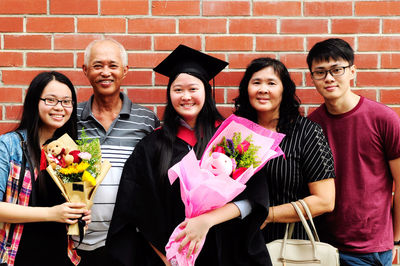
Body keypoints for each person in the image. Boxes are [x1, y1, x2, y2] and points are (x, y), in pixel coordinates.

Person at [107, 44, 271, 266]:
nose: (186, 96)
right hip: (170, 258)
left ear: (206, 92)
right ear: (169, 94)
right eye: (178, 90)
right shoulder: (152, 146)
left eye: (193, 89)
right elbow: (134, 210)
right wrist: (167, 256)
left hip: (226, 254)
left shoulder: (232, 140)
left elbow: (254, 200)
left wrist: (206, 221)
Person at [307, 38, 400, 266]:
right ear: (312, 78)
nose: (329, 78)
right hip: (324, 246)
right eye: (320, 72)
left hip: (371, 249)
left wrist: (396, 238)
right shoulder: (311, 125)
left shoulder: (383, 119)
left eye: (337, 69)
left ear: (352, 72)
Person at [74, 39, 160, 265]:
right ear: (85, 70)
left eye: (113, 65)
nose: (105, 72)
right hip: (76, 241)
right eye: (97, 65)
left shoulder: (146, 120)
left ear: (125, 70)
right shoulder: (70, 118)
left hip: (127, 242)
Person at [234, 57, 336, 242]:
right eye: (256, 82)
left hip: (289, 245)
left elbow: (325, 201)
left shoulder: (307, 132)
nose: (263, 89)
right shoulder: (236, 133)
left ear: (284, 91)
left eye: (271, 83)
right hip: (242, 243)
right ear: (246, 89)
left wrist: (269, 215)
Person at [0, 71, 91, 266]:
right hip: (17, 256)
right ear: (35, 102)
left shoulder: (71, 152)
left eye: (67, 101)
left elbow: (71, 206)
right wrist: (53, 213)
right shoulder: (9, 146)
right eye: (51, 100)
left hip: (60, 257)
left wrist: (79, 216)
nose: (60, 107)